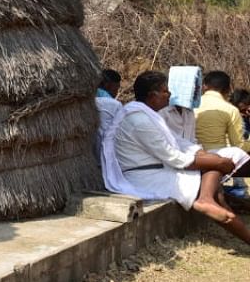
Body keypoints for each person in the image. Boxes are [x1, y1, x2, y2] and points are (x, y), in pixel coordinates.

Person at [101, 71, 250, 245]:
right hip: (146, 177)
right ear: (152, 96)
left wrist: (203, 154)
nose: (169, 95)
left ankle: (206, 199)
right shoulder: (139, 120)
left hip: (160, 168)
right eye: (165, 91)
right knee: (216, 164)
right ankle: (206, 200)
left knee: (219, 162)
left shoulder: (149, 115)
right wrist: (214, 160)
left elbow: (178, 141)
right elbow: (173, 157)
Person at [195, 71, 250, 152]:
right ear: (227, 90)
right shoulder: (231, 110)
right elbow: (239, 145)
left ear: (204, 86)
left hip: (193, 156)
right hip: (220, 158)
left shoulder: (191, 107)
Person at [95, 69, 123, 140]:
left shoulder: (87, 100)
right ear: (107, 85)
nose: (117, 92)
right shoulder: (114, 105)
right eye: (116, 88)